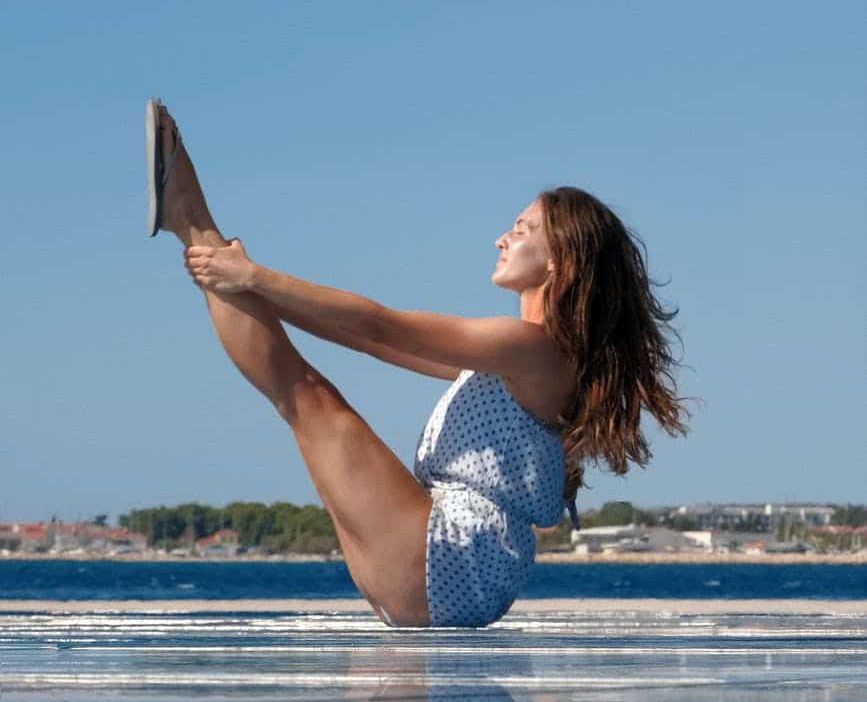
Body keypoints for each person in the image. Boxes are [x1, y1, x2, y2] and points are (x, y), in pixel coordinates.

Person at [148, 101, 687, 628]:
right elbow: (370, 342)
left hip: (450, 557)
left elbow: (383, 325)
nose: (502, 239)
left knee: (307, 397)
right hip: (455, 572)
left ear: (560, 260)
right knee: (302, 394)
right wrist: (260, 289)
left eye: (522, 230)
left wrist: (255, 277)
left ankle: (191, 219)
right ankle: (192, 225)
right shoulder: (522, 359)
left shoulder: (531, 347)